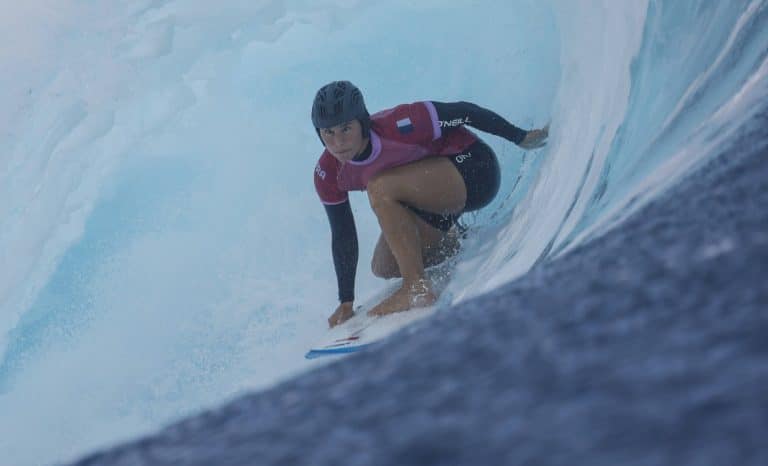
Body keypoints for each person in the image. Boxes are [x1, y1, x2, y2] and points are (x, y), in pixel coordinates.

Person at [312, 80, 548, 328]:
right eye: (329, 133)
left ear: (363, 122)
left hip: (475, 170)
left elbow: (465, 111)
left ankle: (416, 288)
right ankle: (456, 241)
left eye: (346, 129)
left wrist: (519, 136)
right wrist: (346, 301)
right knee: (384, 267)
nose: (338, 142)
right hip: (431, 202)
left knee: (379, 188)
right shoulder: (328, 173)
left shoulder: (401, 123)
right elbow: (343, 233)